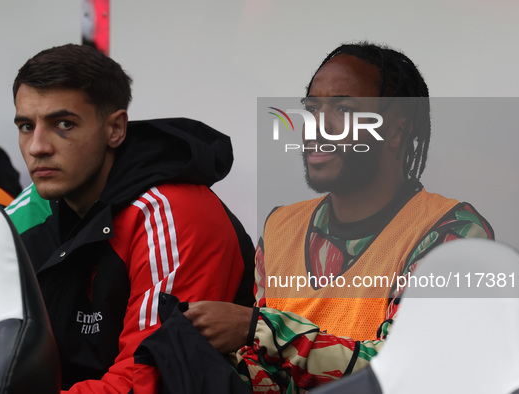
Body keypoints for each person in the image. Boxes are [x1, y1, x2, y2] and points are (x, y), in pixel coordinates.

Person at [184, 42, 494, 393]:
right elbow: (269, 372)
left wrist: (260, 329)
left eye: (344, 110)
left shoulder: (451, 232)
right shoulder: (280, 227)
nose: (317, 127)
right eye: (312, 109)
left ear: (395, 132)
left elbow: (410, 369)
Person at [7, 43, 254, 393]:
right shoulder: (39, 209)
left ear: (115, 129)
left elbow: (148, 381)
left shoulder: (172, 211)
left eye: (63, 124)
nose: (37, 147)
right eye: (26, 126)